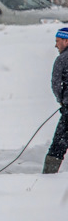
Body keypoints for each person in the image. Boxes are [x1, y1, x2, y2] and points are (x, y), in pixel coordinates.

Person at [44, 27, 68, 173]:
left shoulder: (62, 59)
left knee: (58, 144)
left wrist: (61, 100)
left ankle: (48, 175)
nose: (56, 45)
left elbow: (56, 83)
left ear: (66, 41)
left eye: (58, 41)